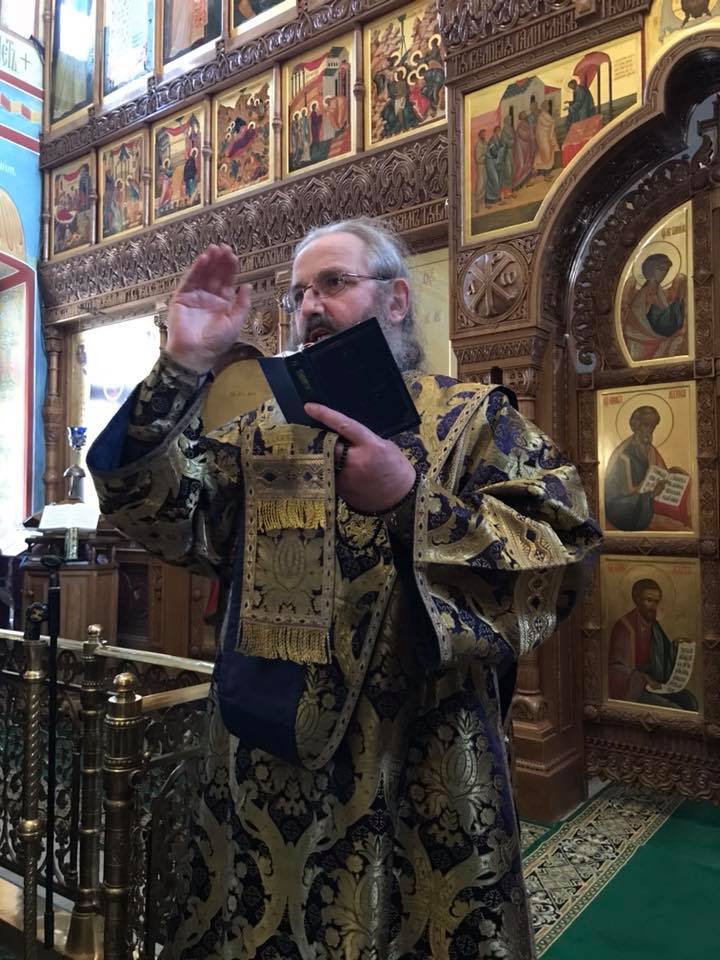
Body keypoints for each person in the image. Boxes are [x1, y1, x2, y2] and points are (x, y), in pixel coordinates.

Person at [87, 217, 599, 958]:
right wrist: (182, 364)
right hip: (261, 765)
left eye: (334, 283)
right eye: (299, 293)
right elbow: (161, 512)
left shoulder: (469, 421)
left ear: (395, 300)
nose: (311, 305)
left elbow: (561, 549)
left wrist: (411, 501)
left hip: (415, 758)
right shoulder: (259, 431)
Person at [608, 578, 697, 711]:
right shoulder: (624, 627)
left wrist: (677, 648)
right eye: (649, 600)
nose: (653, 607)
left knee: (690, 701)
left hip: (654, 685)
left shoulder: (654, 626)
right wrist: (643, 678)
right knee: (674, 708)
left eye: (656, 601)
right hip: (633, 689)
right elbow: (616, 669)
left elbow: (665, 655)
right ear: (637, 599)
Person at [604, 405, 688, 532]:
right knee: (678, 527)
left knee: (681, 523)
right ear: (636, 426)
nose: (649, 431)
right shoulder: (622, 457)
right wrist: (651, 494)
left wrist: (673, 474)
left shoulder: (651, 451)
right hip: (628, 512)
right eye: (645, 425)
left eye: (652, 427)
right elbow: (617, 499)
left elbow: (662, 474)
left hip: (649, 505)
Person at [620, 252, 687, 361]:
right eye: (661, 269)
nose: (664, 273)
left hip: (657, 334)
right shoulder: (646, 292)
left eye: (666, 270)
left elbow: (664, 315)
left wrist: (678, 300)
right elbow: (647, 315)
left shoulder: (660, 292)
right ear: (650, 269)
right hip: (639, 335)